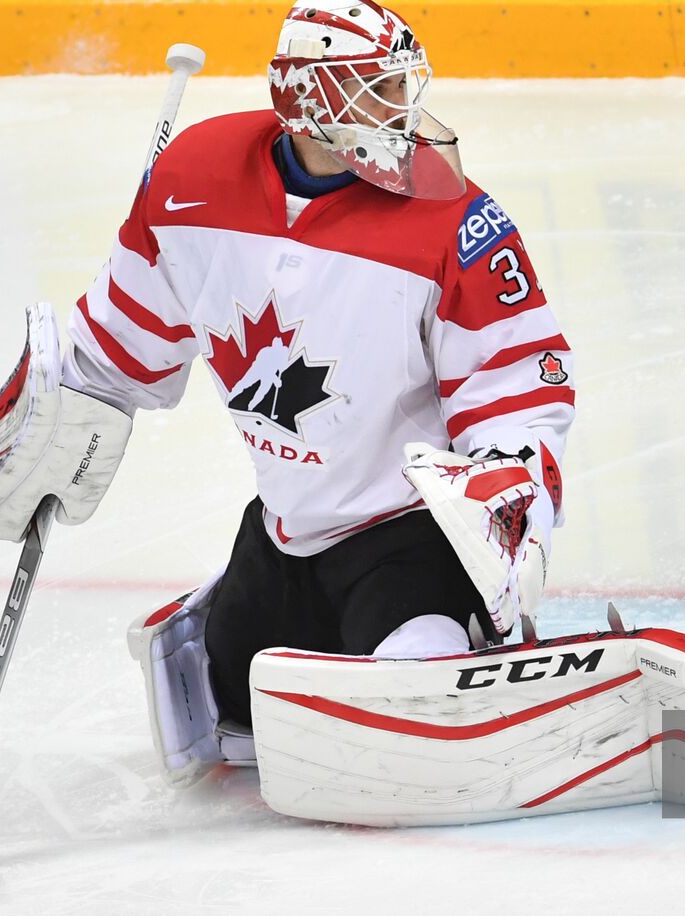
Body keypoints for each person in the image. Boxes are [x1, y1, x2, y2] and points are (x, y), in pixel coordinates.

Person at [62, 0, 573, 732]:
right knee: (229, 705)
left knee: (414, 683)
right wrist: (58, 408)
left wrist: (507, 488)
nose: (405, 108)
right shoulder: (195, 182)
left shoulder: (454, 220)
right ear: (309, 99)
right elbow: (121, 346)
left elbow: (518, 378)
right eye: (381, 87)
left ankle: (453, 636)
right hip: (285, 529)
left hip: (407, 533)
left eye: (404, 85)